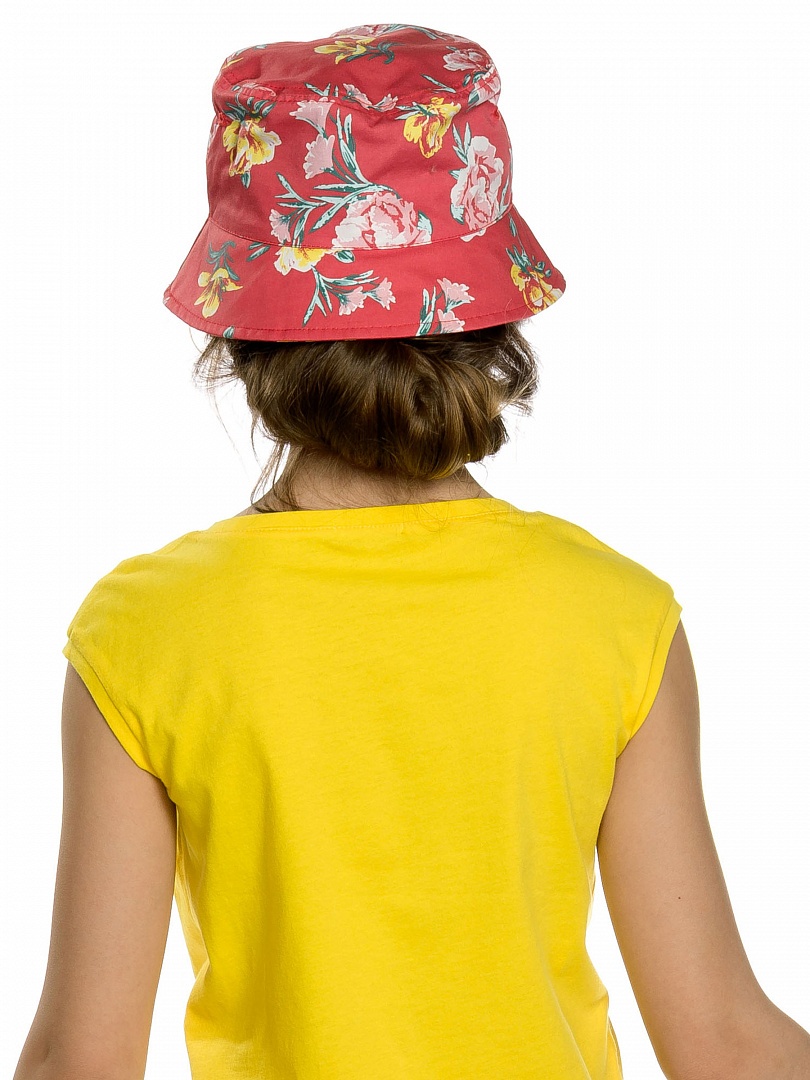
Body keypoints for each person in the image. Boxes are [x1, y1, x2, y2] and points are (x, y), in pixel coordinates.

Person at [12, 22, 810, 1080]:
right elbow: (724, 1041)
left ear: (240, 331)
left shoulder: (145, 633)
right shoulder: (617, 616)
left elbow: (82, 1062)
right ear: (492, 314)